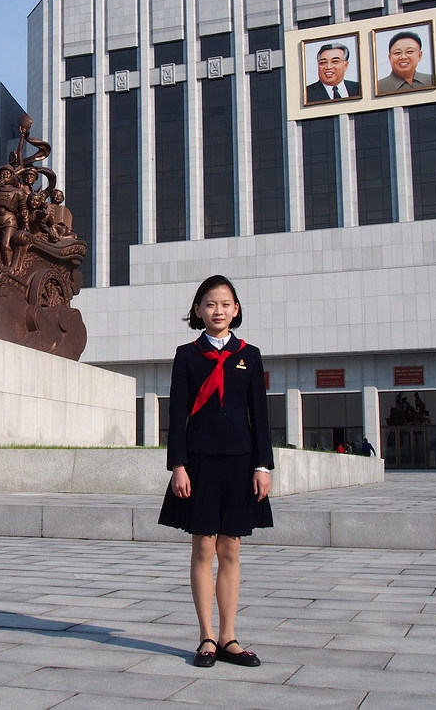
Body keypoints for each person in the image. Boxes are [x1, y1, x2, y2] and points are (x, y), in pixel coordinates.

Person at [159, 274, 273, 669]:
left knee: (231, 549)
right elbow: (176, 415)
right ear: (197, 310)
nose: (217, 311)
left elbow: (259, 414)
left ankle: (229, 637)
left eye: (225, 304)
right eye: (209, 304)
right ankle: (206, 637)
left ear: (236, 309)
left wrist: (262, 465)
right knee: (203, 547)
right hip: (200, 462)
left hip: (241, 463)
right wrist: (178, 465)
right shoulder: (187, 355)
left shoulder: (250, 354)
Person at [376, 31, 433, 95]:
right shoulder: (379, 87)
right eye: (397, 53)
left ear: (419, 55)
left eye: (409, 52)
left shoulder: (431, 81)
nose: (403, 57)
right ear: (390, 58)